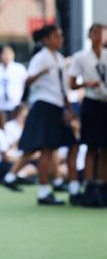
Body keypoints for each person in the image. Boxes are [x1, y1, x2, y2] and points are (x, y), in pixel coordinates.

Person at [16, 25, 80, 205]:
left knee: (72, 144)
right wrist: (41, 73)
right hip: (44, 104)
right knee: (47, 148)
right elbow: (28, 80)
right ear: (45, 39)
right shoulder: (40, 57)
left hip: (58, 105)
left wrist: (69, 110)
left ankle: (73, 188)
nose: (60, 39)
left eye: (60, 35)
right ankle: (43, 192)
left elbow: (64, 88)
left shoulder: (59, 58)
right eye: (56, 36)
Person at [69, 23, 107, 206]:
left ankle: (103, 184)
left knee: (105, 148)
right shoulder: (81, 57)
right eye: (96, 32)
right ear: (90, 35)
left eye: (103, 33)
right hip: (91, 102)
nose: (100, 36)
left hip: (105, 102)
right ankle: (90, 185)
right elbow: (72, 84)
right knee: (91, 145)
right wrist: (86, 84)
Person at [0, 45, 28, 116]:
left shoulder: (20, 69)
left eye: (8, 54)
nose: (6, 57)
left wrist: (23, 100)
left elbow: (25, 84)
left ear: (12, 55)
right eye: (4, 54)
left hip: (14, 104)